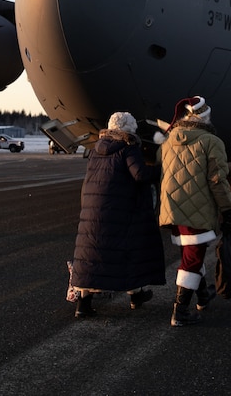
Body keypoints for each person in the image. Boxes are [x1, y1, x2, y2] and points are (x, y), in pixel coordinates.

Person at [69, 112, 166, 318]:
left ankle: (83, 305)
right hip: (119, 208)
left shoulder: (97, 150)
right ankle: (135, 295)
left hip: (93, 209)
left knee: (91, 254)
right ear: (128, 129)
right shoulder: (127, 148)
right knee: (128, 250)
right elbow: (139, 174)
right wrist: (161, 169)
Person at [155, 96, 231, 327]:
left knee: (190, 253)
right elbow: (218, 180)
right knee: (192, 258)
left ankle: (201, 296)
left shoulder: (169, 140)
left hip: (172, 209)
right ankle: (180, 312)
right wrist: (227, 210)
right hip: (197, 208)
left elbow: (162, 165)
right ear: (205, 118)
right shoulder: (211, 141)